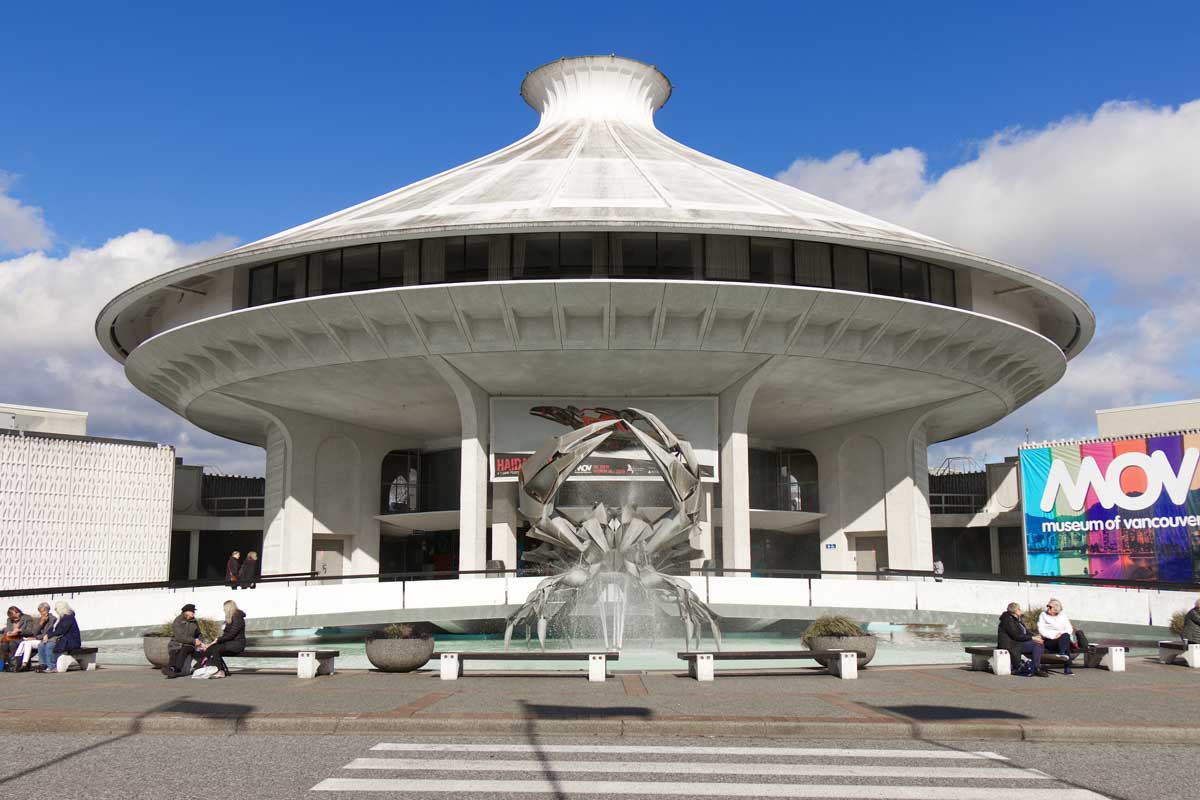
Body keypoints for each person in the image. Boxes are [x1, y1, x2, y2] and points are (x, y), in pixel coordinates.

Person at [196, 600, 246, 678]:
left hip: (237, 644)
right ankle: (202, 666)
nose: (223, 610)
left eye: (224, 608)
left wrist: (218, 640)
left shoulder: (238, 618)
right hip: (230, 643)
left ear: (229, 608)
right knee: (212, 648)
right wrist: (213, 643)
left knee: (216, 649)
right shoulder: (230, 618)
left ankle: (219, 670)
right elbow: (226, 634)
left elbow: (231, 635)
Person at [998, 602, 1048, 677]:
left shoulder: (1017, 620)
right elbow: (1016, 636)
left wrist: (1035, 636)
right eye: (1019, 609)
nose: (1021, 610)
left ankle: (1036, 666)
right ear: (1015, 610)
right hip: (1011, 644)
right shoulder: (1008, 620)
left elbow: (1025, 631)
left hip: (1019, 642)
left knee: (1039, 643)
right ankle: (1037, 668)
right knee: (1036, 644)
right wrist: (1032, 638)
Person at [38, 601, 81, 673]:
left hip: (70, 641)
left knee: (49, 645)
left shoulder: (68, 617)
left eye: (56, 608)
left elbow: (62, 630)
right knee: (41, 645)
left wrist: (49, 635)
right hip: (62, 640)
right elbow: (52, 629)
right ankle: (43, 665)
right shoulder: (60, 618)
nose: (55, 609)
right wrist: (47, 635)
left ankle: (52, 666)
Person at [164, 603, 204, 678]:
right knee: (175, 651)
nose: (194, 613)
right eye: (192, 611)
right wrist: (194, 641)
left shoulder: (194, 622)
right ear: (186, 612)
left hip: (189, 645)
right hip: (177, 643)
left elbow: (199, 634)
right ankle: (171, 669)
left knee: (185, 649)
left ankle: (174, 669)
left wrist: (200, 641)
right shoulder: (178, 621)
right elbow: (179, 637)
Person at [1037, 598, 1075, 675]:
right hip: (1049, 640)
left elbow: (1069, 629)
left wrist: (1060, 634)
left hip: (1061, 640)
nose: (1048, 608)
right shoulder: (1043, 615)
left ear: (1056, 609)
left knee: (1066, 636)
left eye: (1050, 607)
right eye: (1047, 606)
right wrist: (1054, 636)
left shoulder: (1062, 616)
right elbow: (1041, 629)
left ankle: (1062, 653)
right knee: (1065, 643)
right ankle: (1067, 666)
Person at [13, 603, 55, 671]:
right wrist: (41, 623)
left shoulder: (52, 619)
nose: (42, 613)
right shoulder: (39, 619)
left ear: (48, 610)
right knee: (24, 643)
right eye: (40, 612)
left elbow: (48, 633)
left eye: (43, 611)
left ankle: (23, 664)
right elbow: (34, 632)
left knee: (28, 643)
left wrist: (35, 638)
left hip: (47, 640)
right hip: (38, 639)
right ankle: (19, 663)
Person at [1, 606, 35, 670]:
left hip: (23, 638)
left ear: (18, 612)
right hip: (12, 638)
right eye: (13, 618)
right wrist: (9, 633)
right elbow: (7, 630)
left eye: (15, 616)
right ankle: (8, 664)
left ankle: (16, 664)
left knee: (12, 644)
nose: (15, 619)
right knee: (3, 645)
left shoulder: (27, 618)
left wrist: (20, 631)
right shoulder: (9, 620)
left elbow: (30, 631)